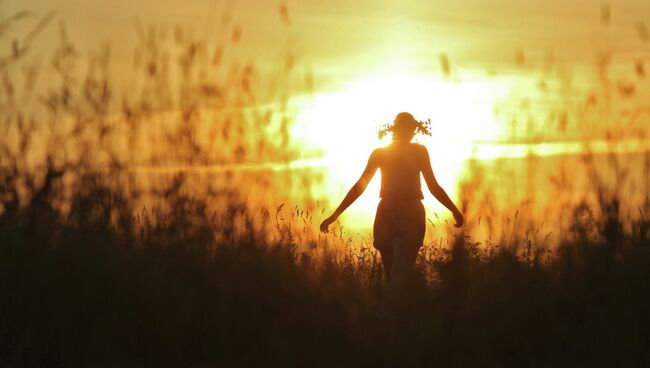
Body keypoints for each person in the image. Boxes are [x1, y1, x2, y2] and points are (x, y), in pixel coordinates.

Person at [320, 112, 464, 285]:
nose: (409, 133)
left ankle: (396, 303)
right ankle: (399, 305)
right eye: (409, 129)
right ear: (408, 131)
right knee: (397, 275)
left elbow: (360, 186)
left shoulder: (390, 153)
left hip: (395, 211)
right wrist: (454, 210)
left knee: (395, 276)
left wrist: (334, 216)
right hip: (400, 212)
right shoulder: (411, 152)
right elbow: (433, 186)